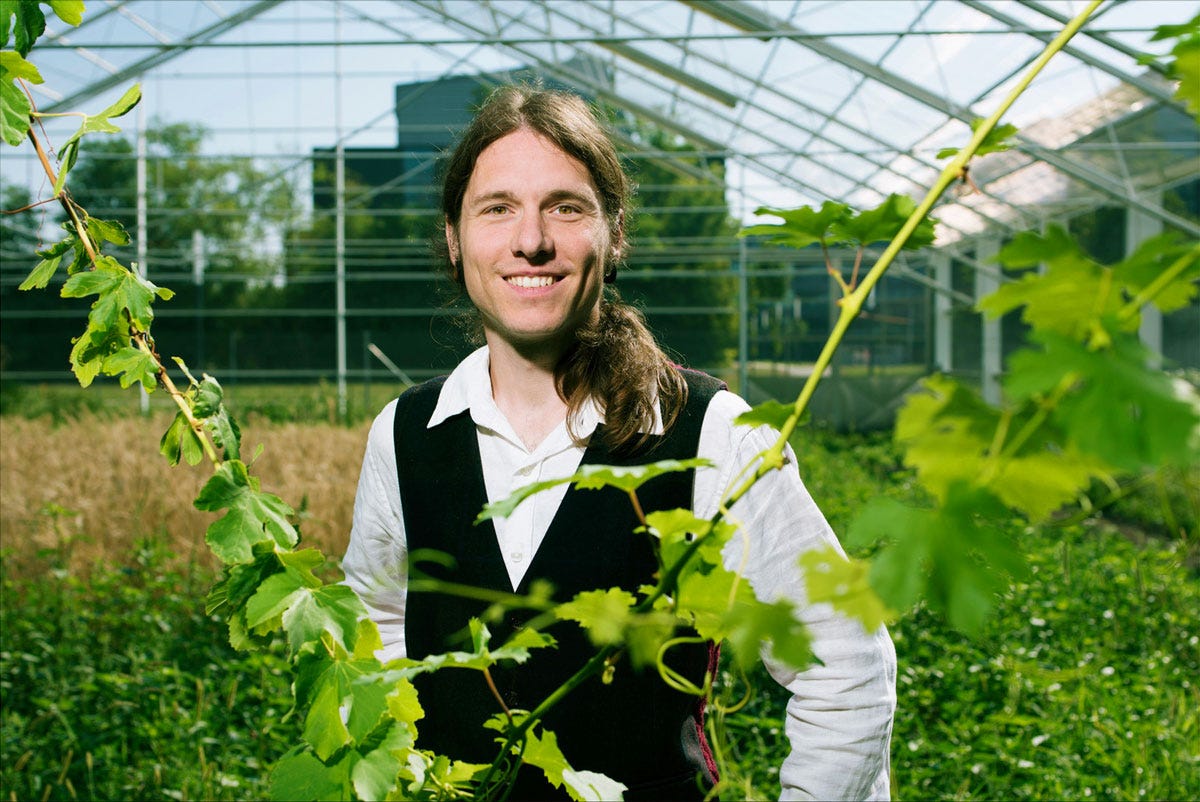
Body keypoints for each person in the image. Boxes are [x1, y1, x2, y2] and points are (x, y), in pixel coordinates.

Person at [342, 84, 896, 801]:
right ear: (454, 239)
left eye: (566, 208)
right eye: (497, 208)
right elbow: (377, 618)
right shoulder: (406, 436)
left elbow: (844, 663)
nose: (530, 239)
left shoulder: (708, 429)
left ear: (613, 234)